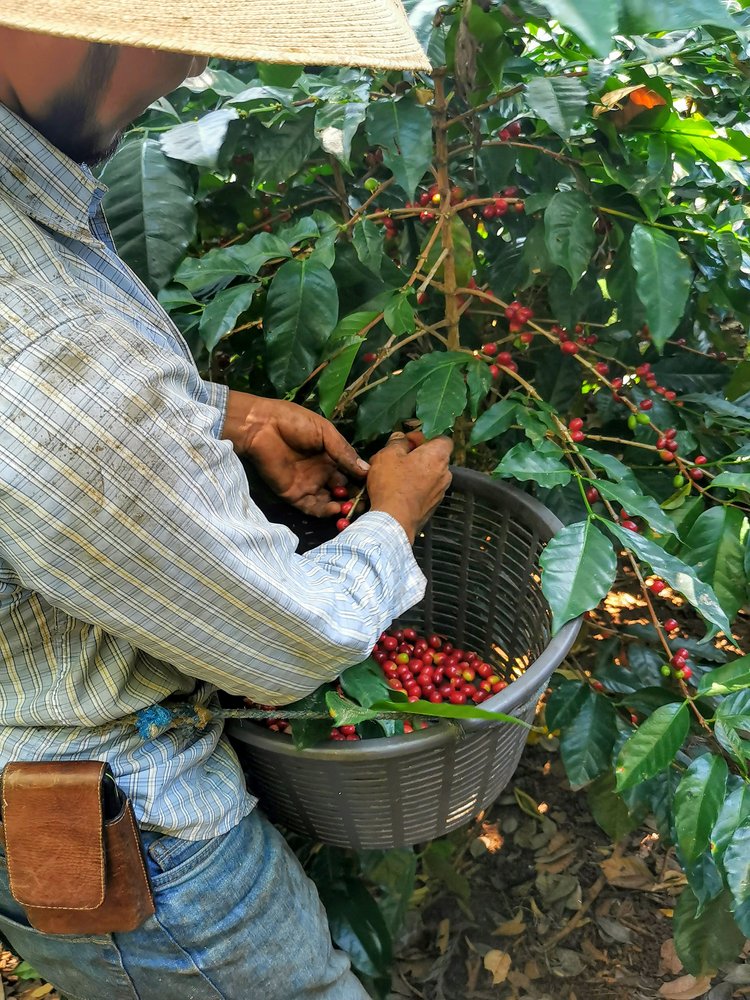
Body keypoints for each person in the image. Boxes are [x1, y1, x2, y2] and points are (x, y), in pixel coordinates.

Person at [0, 5, 451, 998]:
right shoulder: (58, 358)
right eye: (177, 24)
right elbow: (287, 639)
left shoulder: (26, 203)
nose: (197, 56)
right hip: (135, 840)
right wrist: (394, 515)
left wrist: (222, 414)